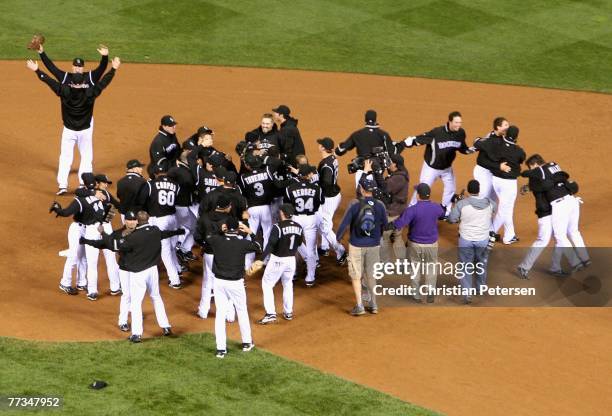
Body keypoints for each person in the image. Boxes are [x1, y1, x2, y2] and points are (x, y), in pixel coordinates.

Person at [26, 56, 120, 195]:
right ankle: (84, 184)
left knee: (65, 156)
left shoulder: (64, 91)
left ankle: (63, 185)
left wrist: (37, 70)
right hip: (85, 130)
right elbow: (104, 82)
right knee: (87, 156)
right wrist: (113, 69)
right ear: (82, 83)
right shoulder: (90, 93)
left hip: (69, 130)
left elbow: (48, 80)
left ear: (72, 84)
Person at [116, 211, 184, 343]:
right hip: (152, 270)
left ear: (137, 221)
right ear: (148, 220)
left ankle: (136, 334)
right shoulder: (155, 230)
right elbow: (164, 234)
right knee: (156, 297)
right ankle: (166, 326)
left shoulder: (133, 236)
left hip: (138, 273)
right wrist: (177, 232)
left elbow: (120, 249)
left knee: (136, 303)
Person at [520, 155, 590, 273]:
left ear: (535, 165)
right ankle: (524, 266)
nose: (532, 171)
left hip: (558, 209)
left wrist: (529, 186)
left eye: (531, 168)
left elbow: (535, 180)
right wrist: (528, 187)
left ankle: (556, 267)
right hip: (546, 214)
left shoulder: (545, 175)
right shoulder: (541, 178)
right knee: (545, 239)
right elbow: (537, 185)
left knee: (560, 239)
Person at [206, 217, 260, 358]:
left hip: (219, 282)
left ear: (225, 228)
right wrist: (249, 232)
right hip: (236, 283)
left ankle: (221, 349)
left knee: (220, 313)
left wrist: (219, 230)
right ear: (238, 229)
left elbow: (207, 237)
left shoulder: (217, 240)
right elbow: (259, 246)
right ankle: (247, 343)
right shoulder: (242, 243)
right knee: (241, 311)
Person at [401, 111, 470, 217]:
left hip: (447, 168)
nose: (459, 125)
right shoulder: (437, 133)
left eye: (460, 122)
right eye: (456, 122)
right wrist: (410, 141)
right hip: (431, 168)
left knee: (450, 188)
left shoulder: (461, 133)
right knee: (423, 188)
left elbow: (462, 147)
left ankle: (445, 211)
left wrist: (469, 150)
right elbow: (421, 138)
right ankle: (410, 210)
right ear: (450, 122)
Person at [80, 210, 140, 332]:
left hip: (138, 269)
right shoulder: (118, 234)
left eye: (134, 220)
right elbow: (105, 243)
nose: (132, 222)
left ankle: (135, 313)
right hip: (125, 268)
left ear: (137, 221)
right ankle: (122, 321)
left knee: (136, 294)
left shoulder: (141, 233)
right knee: (127, 295)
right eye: (130, 220)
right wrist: (89, 240)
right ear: (125, 221)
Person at [336, 178, 388, 315]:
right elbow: (385, 224)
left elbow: (344, 224)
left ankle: (360, 306)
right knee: (371, 275)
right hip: (374, 245)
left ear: (361, 189)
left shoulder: (355, 204)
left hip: (356, 245)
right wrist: (378, 237)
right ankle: (374, 304)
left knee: (356, 276)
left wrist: (338, 238)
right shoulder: (380, 205)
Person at [49, 173, 103, 296]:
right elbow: (80, 193)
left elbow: (66, 213)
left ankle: (81, 282)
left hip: (87, 230)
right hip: (78, 230)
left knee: (82, 257)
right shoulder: (97, 195)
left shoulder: (84, 197)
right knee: (74, 256)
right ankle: (65, 283)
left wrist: (57, 208)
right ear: (95, 184)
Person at [391, 183, 445, 303]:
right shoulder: (436, 207)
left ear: (419, 196)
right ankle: (430, 293)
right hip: (431, 244)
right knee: (431, 268)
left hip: (415, 244)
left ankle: (416, 295)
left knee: (415, 268)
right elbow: (443, 214)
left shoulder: (412, 210)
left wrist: (389, 225)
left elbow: (400, 223)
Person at [448, 180, 496, 304]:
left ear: (468, 191)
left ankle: (467, 293)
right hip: (483, 240)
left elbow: (452, 219)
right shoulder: (490, 203)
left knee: (465, 266)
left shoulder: (462, 204)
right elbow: (493, 209)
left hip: (466, 240)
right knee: (481, 264)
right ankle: (480, 288)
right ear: (479, 190)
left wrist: (457, 204)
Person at [477, 125, 525, 244]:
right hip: (508, 184)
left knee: (507, 208)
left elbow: (479, 143)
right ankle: (489, 232)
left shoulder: (496, 144)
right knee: (504, 210)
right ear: (516, 137)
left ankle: (509, 235)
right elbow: (521, 159)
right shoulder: (519, 151)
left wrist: (478, 140)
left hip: (496, 180)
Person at [258, 204, 304, 324]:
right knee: (288, 284)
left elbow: (270, 245)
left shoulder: (277, 227)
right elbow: (299, 243)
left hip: (278, 260)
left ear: (282, 213)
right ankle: (288, 312)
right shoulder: (299, 227)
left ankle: (270, 313)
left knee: (267, 284)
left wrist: (261, 259)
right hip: (291, 260)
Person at [194, 195, 233, 320]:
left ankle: (203, 312)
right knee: (227, 282)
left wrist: (204, 245)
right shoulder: (230, 219)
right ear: (227, 207)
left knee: (207, 281)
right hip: (225, 254)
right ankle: (229, 315)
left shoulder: (204, 217)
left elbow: (197, 236)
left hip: (209, 253)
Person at [284, 165, 324, 287]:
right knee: (311, 249)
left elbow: (287, 205)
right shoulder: (317, 188)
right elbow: (320, 203)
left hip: (296, 218)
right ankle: (310, 277)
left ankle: (294, 272)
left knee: (294, 245)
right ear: (307, 176)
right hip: (310, 218)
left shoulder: (290, 188)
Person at [335, 110, 396, 189]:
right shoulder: (384, 134)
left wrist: (336, 152)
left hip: (362, 169)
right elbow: (391, 153)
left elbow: (341, 150)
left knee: (361, 194)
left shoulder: (357, 134)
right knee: (376, 193)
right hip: (377, 171)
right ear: (375, 119)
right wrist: (390, 172)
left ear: (365, 119)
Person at [144, 165, 183, 288]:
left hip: (160, 220)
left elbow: (145, 201)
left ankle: (175, 280)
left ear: (155, 174)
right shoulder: (176, 184)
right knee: (171, 247)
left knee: (165, 251)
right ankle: (178, 268)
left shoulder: (150, 184)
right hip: (173, 218)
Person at [315, 137, 347, 264]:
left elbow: (327, 182)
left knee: (325, 227)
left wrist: (317, 185)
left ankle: (341, 251)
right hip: (335, 195)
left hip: (329, 198)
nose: (319, 145)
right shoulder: (333, 158)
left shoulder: (326, 164)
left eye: (320, 144)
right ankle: (324, 247)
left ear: (323, 148)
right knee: (325, 222)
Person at [168, 151, 198, 263]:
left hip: (171, 206)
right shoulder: (189, 174)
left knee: (188, 227)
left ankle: (183, 250)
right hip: (182, 207)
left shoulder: (172, 171)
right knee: (193, 227)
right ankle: (180, 248)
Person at [35, 42, 108, 87]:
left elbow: (102, 68)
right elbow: (51, 67)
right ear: (72, 67)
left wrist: (105, 57)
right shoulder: (65, 77)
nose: (77, 68)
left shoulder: (91, 77)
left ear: (83, 68)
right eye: (75, 66)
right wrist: (42, 53)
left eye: (80, 66)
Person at [380, 154, 409, 263]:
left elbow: (385, 188)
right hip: (400, 211)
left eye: (390, 163)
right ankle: (402, 261)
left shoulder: (398, 178)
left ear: (395, 164)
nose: (388, 165)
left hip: (393, 213)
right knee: (397, 236)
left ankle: (385, 262)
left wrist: (381, 176)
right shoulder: (402, 173)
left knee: (384, 237)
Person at [472, 117, 509, 200]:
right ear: (498, 127)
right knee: (484, 194)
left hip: (494, 171)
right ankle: (475, 210)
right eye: (505, 125)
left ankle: (489, 212)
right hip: (483, 171)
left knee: (493, 197)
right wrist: (477, 141)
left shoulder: (503, 138)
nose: (507, 127)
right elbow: (477, 143)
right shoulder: (490, 139)